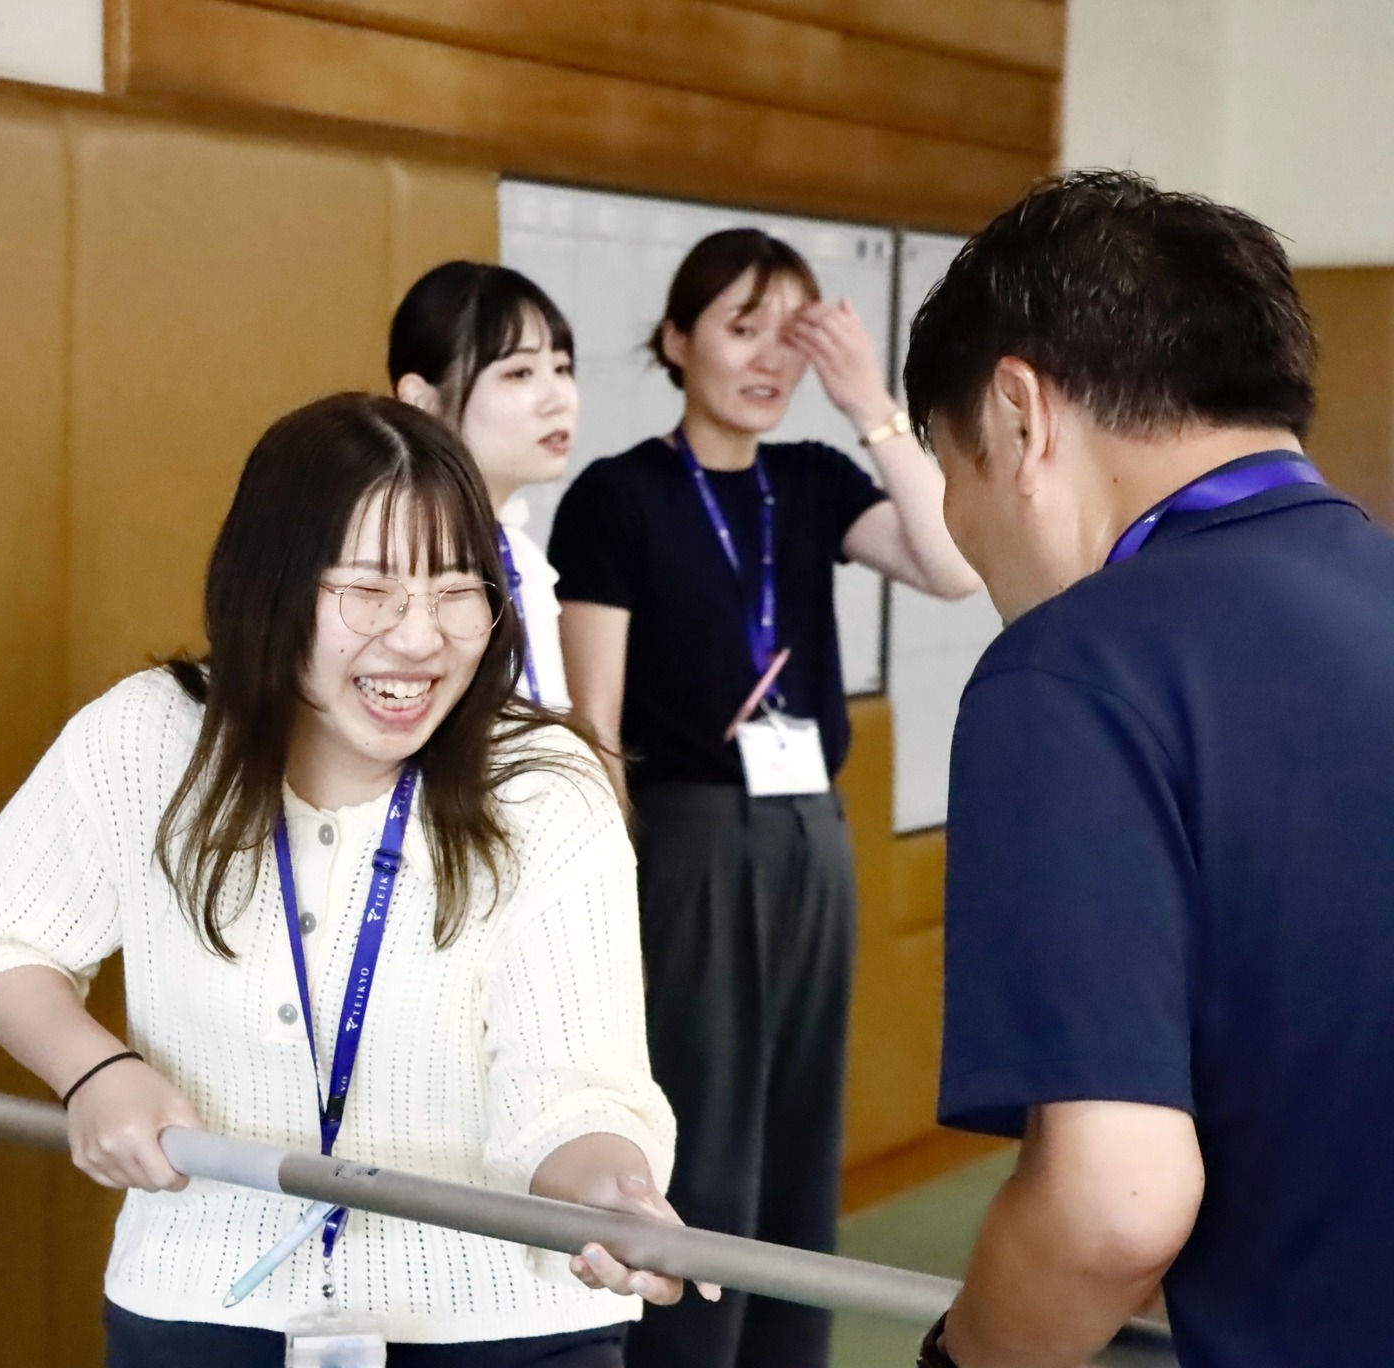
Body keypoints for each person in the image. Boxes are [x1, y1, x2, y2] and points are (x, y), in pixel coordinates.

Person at [0, 393, 705, 1366]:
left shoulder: (544, 788)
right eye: (370, 590)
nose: (419, 639)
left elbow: (571, 1087)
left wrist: (606, 1191)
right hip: (204, 1306)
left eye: (456, 589)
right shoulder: (148, 737)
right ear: (272, 586)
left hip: (499, 1326)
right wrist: (93, 1071)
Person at [904, 170, 1394, 1368]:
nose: (960, 525)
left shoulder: (1074, 671)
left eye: (948, 469)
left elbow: (1109, 1208)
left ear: (1017, 417)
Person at [547, 229, 980, 1368]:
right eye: (741, 329)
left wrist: (871, 405)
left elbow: (952, 565)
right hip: (687, 837)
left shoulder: (813, 479)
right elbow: (595, 722)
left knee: (798, 1128)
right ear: (676, 339)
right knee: (702, 1129)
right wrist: (609, 898)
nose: (769, 359)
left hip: (811, 833)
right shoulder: (619, 494)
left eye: (790, 335)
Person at [390, 260, 578, 708]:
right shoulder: (396, 554)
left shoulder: (521, 554)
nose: (559, 399)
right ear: (422, 400)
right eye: (520, 373)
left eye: (562, 368)